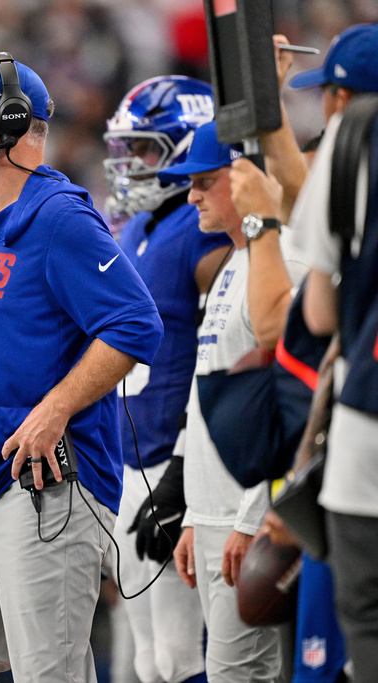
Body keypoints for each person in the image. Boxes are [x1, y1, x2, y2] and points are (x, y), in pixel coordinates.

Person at [0, 53, 163, 682]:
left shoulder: (62, 217)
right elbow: (22, 341)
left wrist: (56, 409)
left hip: (49, 489)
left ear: (15, 120)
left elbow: (136, 324)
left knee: (51, 673)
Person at [161, 120, 307, 682]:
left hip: (249, 521)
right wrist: (197, 515)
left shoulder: (282, 260)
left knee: (240, 675)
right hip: (217, 518)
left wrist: (252, 518)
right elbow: (212, 395)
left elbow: (290, 403)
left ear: (245, 177)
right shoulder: (232, 261)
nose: (192, 195)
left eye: (203, 181)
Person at [103, 75, 230, 683]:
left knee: (182, 656)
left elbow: (223, 353)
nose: (131, 165)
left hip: (177, 459)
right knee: (146, 659)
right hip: (130, 457)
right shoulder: (138, 228)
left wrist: (183, 476)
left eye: (146, 150)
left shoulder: (203, 231)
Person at [282, 22, 378, 683]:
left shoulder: (348, 144)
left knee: (365, 613)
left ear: (341, 100)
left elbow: (316, 313)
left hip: (369, 411)